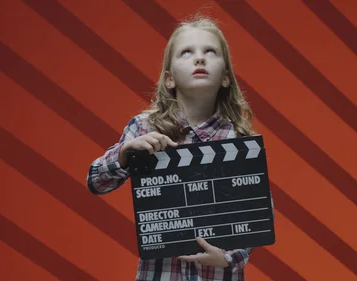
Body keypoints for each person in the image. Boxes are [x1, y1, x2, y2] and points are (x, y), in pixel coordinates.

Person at [87, 15, 257, 281]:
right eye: (186, 52)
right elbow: (97, 181)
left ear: (225, 77)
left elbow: (255, 214)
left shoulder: (237, 138)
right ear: (169, 79)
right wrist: (124, 153)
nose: (199, 58)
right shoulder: (144, 128)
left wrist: (229, 259)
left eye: (210, 51)